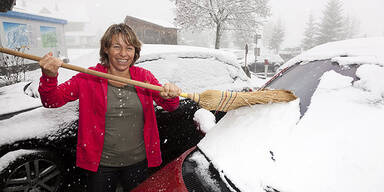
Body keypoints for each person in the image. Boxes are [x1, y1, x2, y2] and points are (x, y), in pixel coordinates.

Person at [38, 23, 182, 192]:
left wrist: (171, 95)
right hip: (101, 165)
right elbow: (51, 100)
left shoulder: (144, 77)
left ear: (135, 52)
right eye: (116, 46)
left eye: (129, 48)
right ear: (106, 49)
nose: (123, 54)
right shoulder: (89, 77)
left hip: (138, 162)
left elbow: (170, 105)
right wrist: (49, 77)